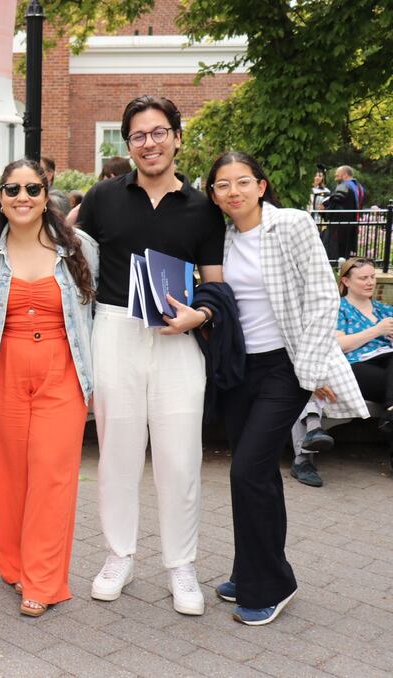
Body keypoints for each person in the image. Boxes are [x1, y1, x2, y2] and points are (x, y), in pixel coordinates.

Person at [77, 95, 225, 616]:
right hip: (116, 329)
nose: (150, 143)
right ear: (128, 144)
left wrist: (199, 318)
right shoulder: (102, 198)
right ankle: (120, 554)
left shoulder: (205, 208)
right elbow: (74, 260)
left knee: (180, 456)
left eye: (159, 132)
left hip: (177, 336)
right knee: (116, 451)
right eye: (138, 135)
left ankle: (180, 564)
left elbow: (215, 286)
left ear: (177, 137)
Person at [205, 151, 366, 625]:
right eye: (222, 185)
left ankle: (274, 583)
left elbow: (321, 299)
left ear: (261, 184)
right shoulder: (223, 239)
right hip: (239, 369)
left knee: (248, 470)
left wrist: (313, 372)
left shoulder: (292, 225)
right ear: (213, 196)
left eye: (242, 181)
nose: (233, 191)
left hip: (285, 367)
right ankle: (248, 568)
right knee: (252, 472)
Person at [0, 159, 98, 617]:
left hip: (61, 371)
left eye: (31, 189)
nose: (22, 197)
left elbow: (96, 311)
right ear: (0, 199)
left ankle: (43, 580)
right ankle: (14, 564)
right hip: (2, 370)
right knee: (7, 473)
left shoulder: (80, 248)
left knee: (51, 474)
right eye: (12, 190)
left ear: (46, 195)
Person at [291, 257, 393, 486]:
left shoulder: (385, 309)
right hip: (355, 368)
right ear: (346, 280)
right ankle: (390, 414)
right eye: (363, 278)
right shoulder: (337, 308)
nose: (369, 282)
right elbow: (338, 345)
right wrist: (376, 331)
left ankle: (390, 413)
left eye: (372, 277)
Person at [321, 165, 366, 259]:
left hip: (338, 228)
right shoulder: (360, 187)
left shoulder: (344, 185)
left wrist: (324, 210)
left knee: (334, 256)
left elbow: (336, 200)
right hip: (351, 226)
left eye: (337, 175)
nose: (335, 178)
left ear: (345, 175)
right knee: (345, 255)